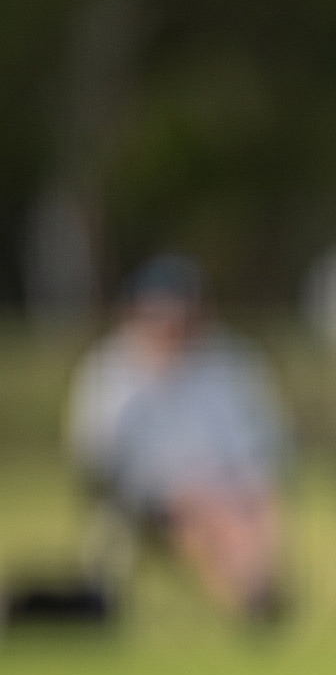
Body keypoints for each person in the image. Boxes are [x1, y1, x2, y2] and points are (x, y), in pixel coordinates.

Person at [66, 253, 289, 624]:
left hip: (227, 496)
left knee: (252, 506)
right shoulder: (111, 374)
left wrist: (251, 491)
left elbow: (256, 447)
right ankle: (250, 600)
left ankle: (256, 586)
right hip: (149, 500)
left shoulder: (228, 365)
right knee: (198, 515)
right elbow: (97, 454)